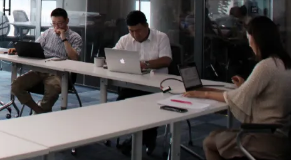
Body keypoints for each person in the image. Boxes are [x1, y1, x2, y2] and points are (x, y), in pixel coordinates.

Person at [185, 16, 291, 160]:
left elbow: (238, 97)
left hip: (266, 138)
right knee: (215, 135)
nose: (249, 44)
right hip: (281, 135)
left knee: (209, 142)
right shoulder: (284, 64)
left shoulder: (266, 66)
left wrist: (204, 94)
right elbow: (268, 93)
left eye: (249, 39)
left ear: (257, 39)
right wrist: (244, 85)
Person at [114, 10, 172, 156]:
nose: (135, 34)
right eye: (131, 31)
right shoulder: (125, 40)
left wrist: (144, 64)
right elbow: (114, 56)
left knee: (147, 110)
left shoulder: (161, 37)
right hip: (132, 84)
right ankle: (146, 137)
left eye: (138, 30)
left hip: (156, 86)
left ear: (146, 25)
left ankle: (136, 141)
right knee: (120, 106)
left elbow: (166, 60)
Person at [9, 8, 82, 114]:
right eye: (54, 23)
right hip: (40, 69)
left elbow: (74, 57)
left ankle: (43, 109)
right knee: (16, 86)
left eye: (60, 23)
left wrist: (64, 39)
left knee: (52, 90)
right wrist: (18, 49)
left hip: (58, 73)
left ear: (67, 21)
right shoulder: (48, 33)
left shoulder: (75, 37)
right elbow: (35, 47)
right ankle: (39, 110)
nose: (56, 27)